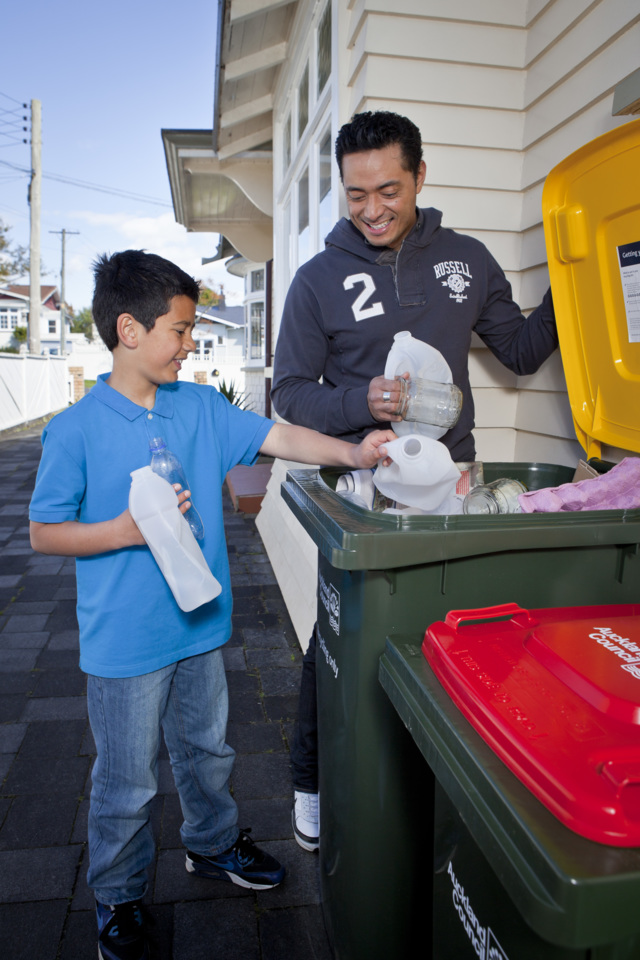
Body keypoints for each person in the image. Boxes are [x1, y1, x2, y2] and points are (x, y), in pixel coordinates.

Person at [29, 249, 395, 960]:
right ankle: (119, 895)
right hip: (125, 643)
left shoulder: (198, 406)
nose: (191, 343)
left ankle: (213, 844)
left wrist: (356, 454)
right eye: (181, 329)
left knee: (207, 751)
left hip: (198, 624)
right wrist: (120, 532)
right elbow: (44, 531)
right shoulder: (74, 430)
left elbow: (278, 436)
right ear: (130, 330)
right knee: (127, 780)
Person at [271, 110, 559, 852]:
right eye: (355, 194)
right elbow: (292, 393)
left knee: (457, 631)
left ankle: (434, 788)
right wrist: (356, 402)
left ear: (421, 178)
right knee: (344, 637)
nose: (371, 209)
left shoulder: (465, 258)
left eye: (388, 190)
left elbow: (522, 351)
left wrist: (581, 273)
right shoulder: (316, 280)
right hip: (368, 492)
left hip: (454, 485)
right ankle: (310, 779)